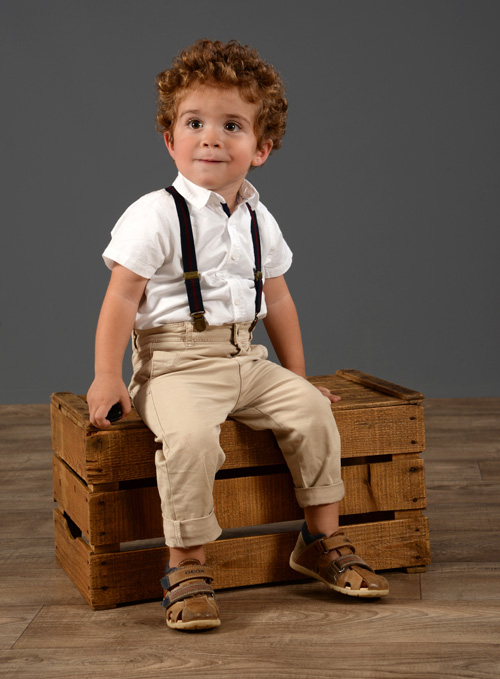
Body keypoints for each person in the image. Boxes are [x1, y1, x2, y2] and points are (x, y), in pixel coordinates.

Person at [87, 38, 389, 631]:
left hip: (243, 357)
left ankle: (319, 540)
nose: (211, 138)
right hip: (174, 365)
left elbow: (277, 298)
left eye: (232, 125)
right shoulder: (155, 213)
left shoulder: (258, 216)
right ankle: (188, 566)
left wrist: (296, 376)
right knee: (193, 439)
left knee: (310, 412)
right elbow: (121, 295)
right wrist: (105, 375)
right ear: (170, 139)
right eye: (194, 122)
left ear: (262, 148)